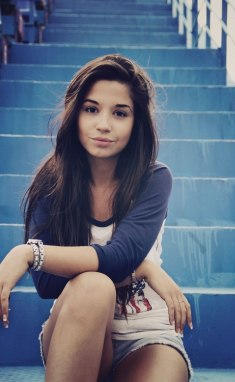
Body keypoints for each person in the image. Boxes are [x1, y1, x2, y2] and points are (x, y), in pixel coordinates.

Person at [0, 54, 193, 382]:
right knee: (93, 286)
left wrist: (29, 253)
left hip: (147, 332)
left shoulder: (153, 178)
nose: (103, 124)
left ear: (136, 122)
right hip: (77, 325)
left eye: (120, 113)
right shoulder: (52, 181)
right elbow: (48, 285)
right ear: (75, 115)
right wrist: (143, 269)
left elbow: (120, 258)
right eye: (91, 109)